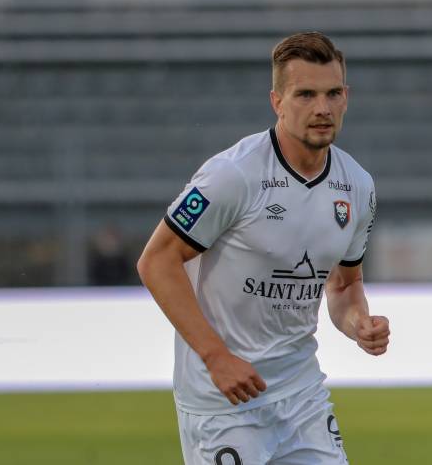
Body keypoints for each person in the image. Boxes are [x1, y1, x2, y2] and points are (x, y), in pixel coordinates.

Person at [137, 31, 389, 464]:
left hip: (301, 394)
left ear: (346, 97)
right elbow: (156, 261)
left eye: (332, 93)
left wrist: (359, 323)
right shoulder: (233, 176)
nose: (322, 108)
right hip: (223, 401)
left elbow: (345, 286)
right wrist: (217, 357)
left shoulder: (357, 186)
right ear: (277, 101)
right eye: (305, 94)